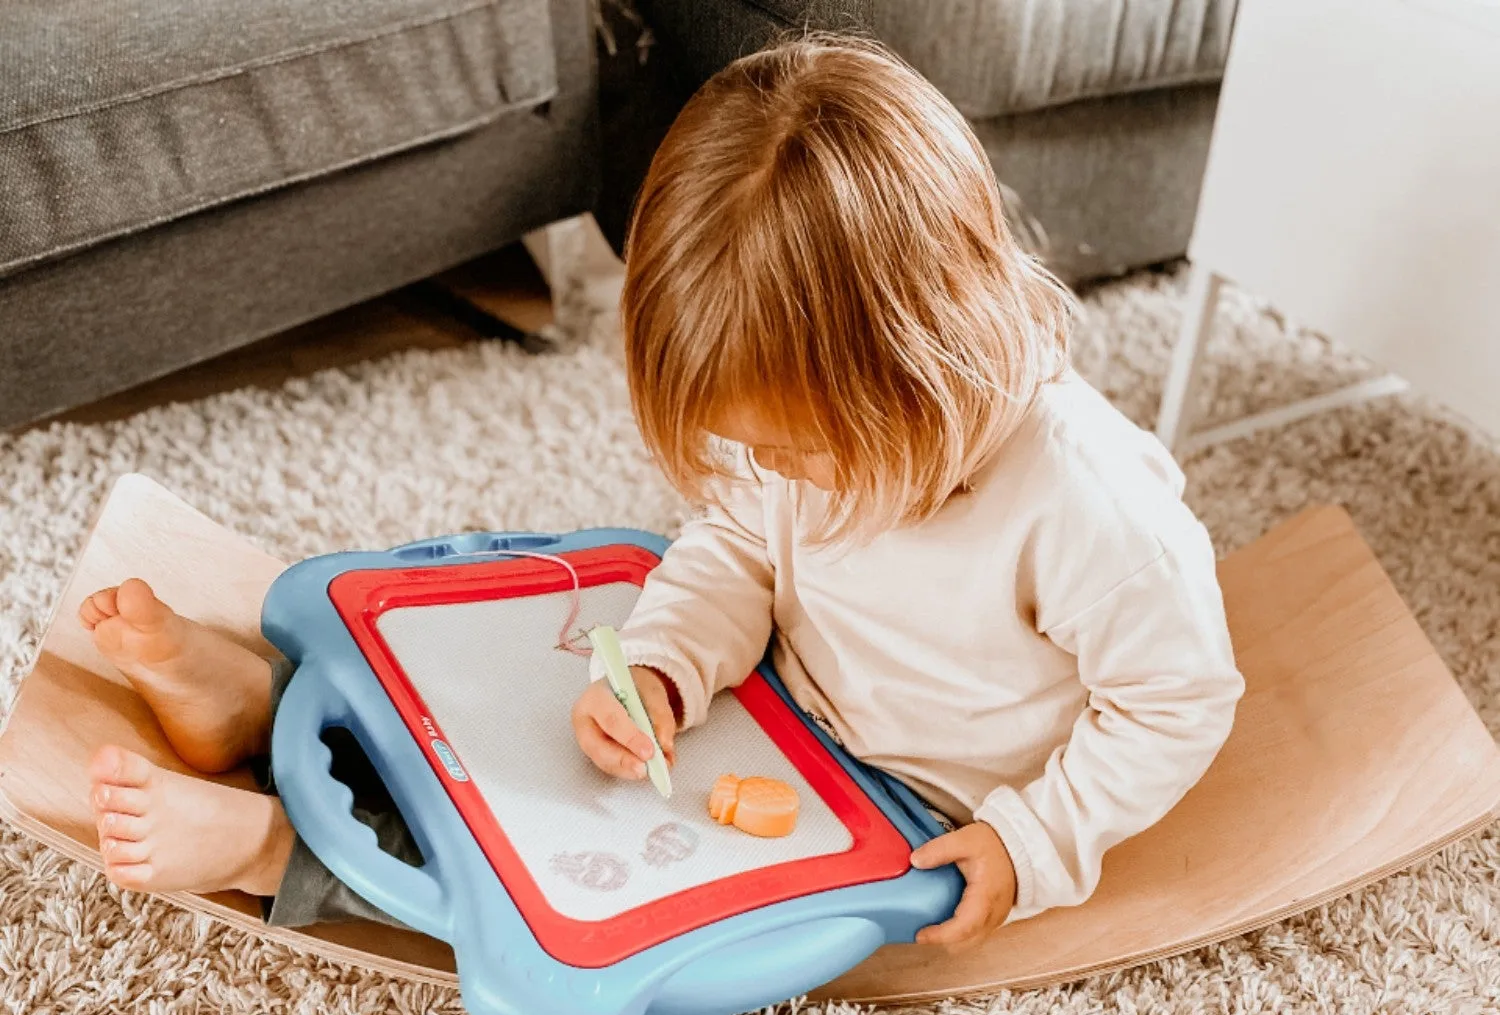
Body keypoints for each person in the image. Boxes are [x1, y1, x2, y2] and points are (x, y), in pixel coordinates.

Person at [80, 38, 1243, 951]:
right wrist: (674, 661)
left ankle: (284, 850)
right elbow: (736, 542)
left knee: (588, 901)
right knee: (519, 713)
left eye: (799, 453)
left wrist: (1032, 842)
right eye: (756, 450)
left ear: (921, 367)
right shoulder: (815, 429)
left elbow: (1177, 702)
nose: (777, 477)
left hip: (908, 811)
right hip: (773, 699)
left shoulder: (1090, 505)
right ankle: (265, 699)